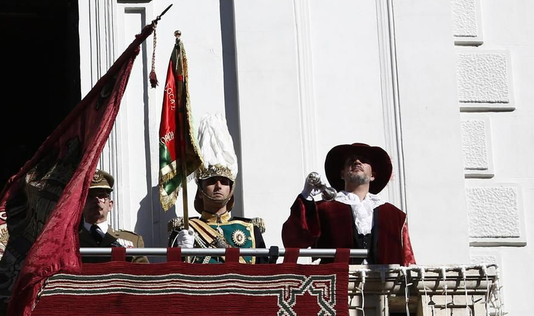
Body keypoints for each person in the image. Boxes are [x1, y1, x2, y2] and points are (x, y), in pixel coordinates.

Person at [282, 142, 416, 266]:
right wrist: (306, 196)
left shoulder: (395, 215)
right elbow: (293, 241)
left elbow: (407, 259)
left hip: (386, 288)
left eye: (364, 160)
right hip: (338, 286)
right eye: (351, 161)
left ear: (373, 175)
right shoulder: (323, 208)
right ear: (342, 174)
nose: (357, 162)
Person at [170, 112, 266, 262]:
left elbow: (265, 274)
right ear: (200, 191)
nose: (218, 186)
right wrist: (180, 255)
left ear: (231, 188)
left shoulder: (251, 230)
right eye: (211, 181)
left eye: (224, 181)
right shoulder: (185, 230)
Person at [77, 170, 144, 260]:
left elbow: (143, 271)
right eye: (90, 196)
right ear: (81, 205)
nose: (96, 200)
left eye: (101, 196)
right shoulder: (70, 241)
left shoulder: (132, 240)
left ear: (110, 205)